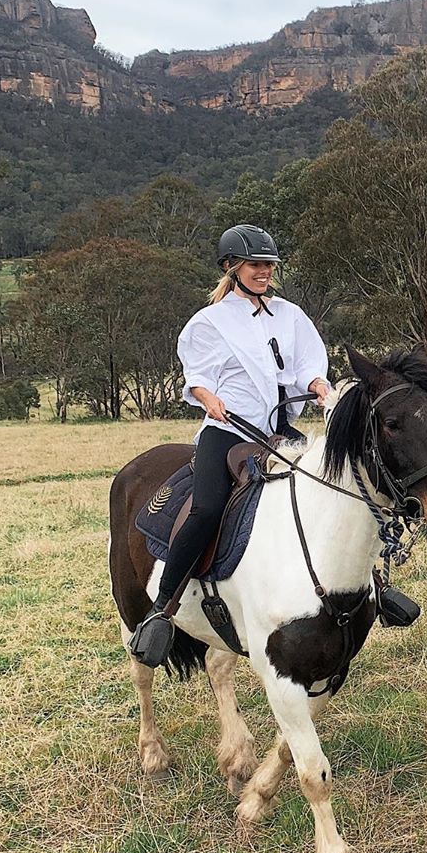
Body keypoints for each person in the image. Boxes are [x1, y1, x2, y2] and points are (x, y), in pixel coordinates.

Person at [130, 224, 332, 666]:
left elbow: (306, 363)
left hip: (279, 432)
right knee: (206, 507)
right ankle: (163, 609)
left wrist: (317, 383)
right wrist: (207, 398)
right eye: (256, 265)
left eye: (269, 266)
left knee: (332, 491)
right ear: (231, 267)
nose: (264, 273)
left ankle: (371, 587)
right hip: (228, 431)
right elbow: (197, 375)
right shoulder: (209, 322)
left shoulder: (291, 315)